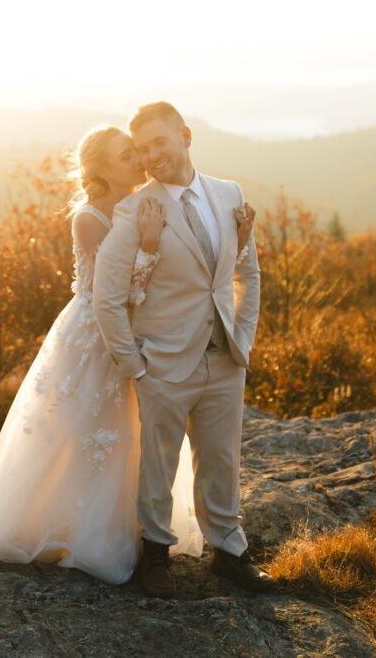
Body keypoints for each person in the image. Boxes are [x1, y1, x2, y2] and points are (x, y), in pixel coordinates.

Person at [0, 124, 255, 584]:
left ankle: (140, 531)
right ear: (102, 169)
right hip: (96, 336)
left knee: (134, 440)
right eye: (127, 154)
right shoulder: (90, 218)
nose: (139, 160)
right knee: (88, 433)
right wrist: (148, 244)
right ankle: (80, 526)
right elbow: (118, 292)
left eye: (139, 151)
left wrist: (237, 239)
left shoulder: (152, 201)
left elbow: (191, 272)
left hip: (150, 335)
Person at [92, 102, 274, 598]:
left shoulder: (229, 194)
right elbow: (107, 298)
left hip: (224, 357)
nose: (152, 156)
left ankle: (230, 553)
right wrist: (135, 365)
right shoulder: (134, 211)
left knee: (223, 458)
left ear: (186, 135)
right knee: (159, 463)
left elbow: (246, 274)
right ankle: (156, 554)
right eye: (142, 148)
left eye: (160, 143)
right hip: (163, 362)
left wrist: (244, 338)